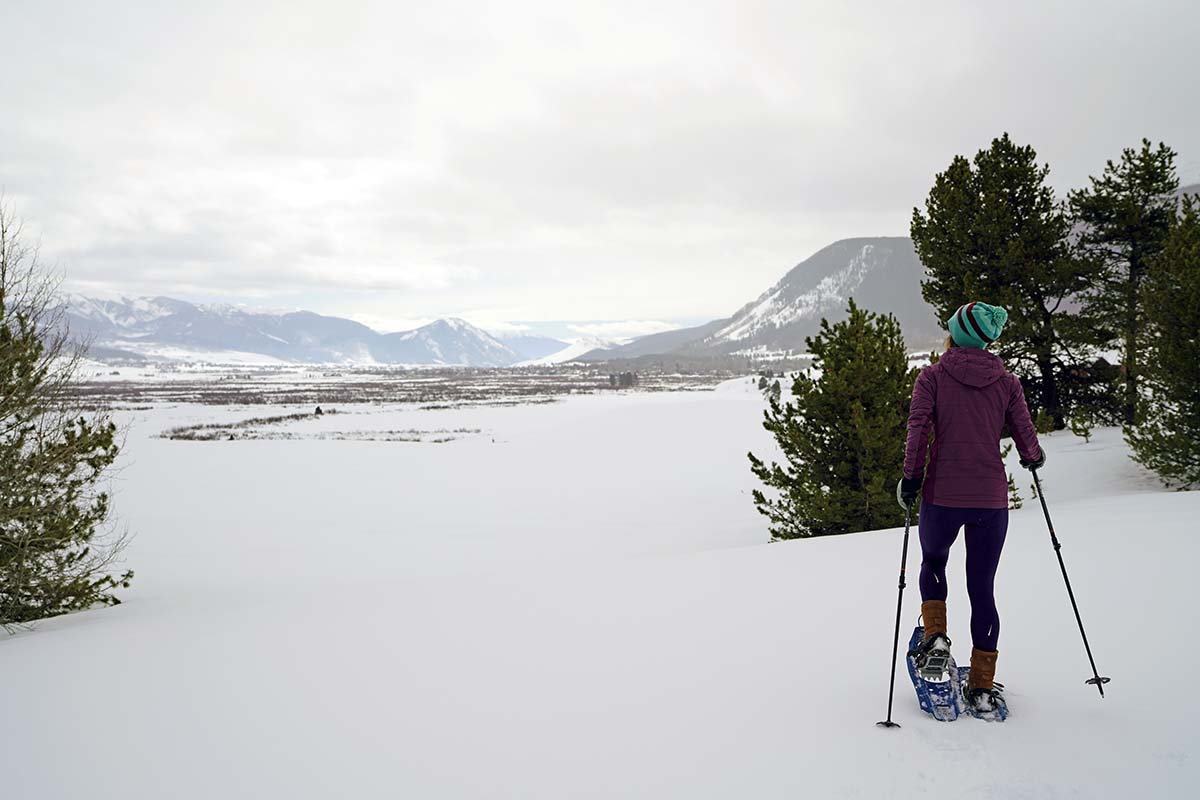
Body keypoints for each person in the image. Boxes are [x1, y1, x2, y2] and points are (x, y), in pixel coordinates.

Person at [896, 300, 1044, 713]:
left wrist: (911, 478)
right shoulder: (1007, 383)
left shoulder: (932, 378)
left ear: (955, 334)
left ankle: (936, 638)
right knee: (983, 589)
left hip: (942, 496)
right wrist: (1033, 457)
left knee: (934, 565)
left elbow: (918, 431)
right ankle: (981, 686)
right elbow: (1025, 435)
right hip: (990, 501)